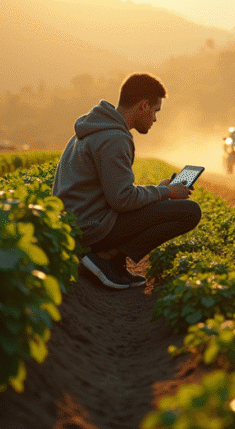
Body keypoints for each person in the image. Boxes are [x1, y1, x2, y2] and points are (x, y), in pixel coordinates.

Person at [52, 72, 202, 289]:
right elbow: (122, 199)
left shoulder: (93, 128)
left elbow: (115, 193)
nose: (155, 119)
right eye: (155, 111)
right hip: (90, 230)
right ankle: (105, 258)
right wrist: (167, 193)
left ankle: (113, 262)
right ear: (143, 106)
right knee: (190, 212)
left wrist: (160, 191)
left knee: (160, 201)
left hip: (78, 223)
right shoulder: (115, 138)